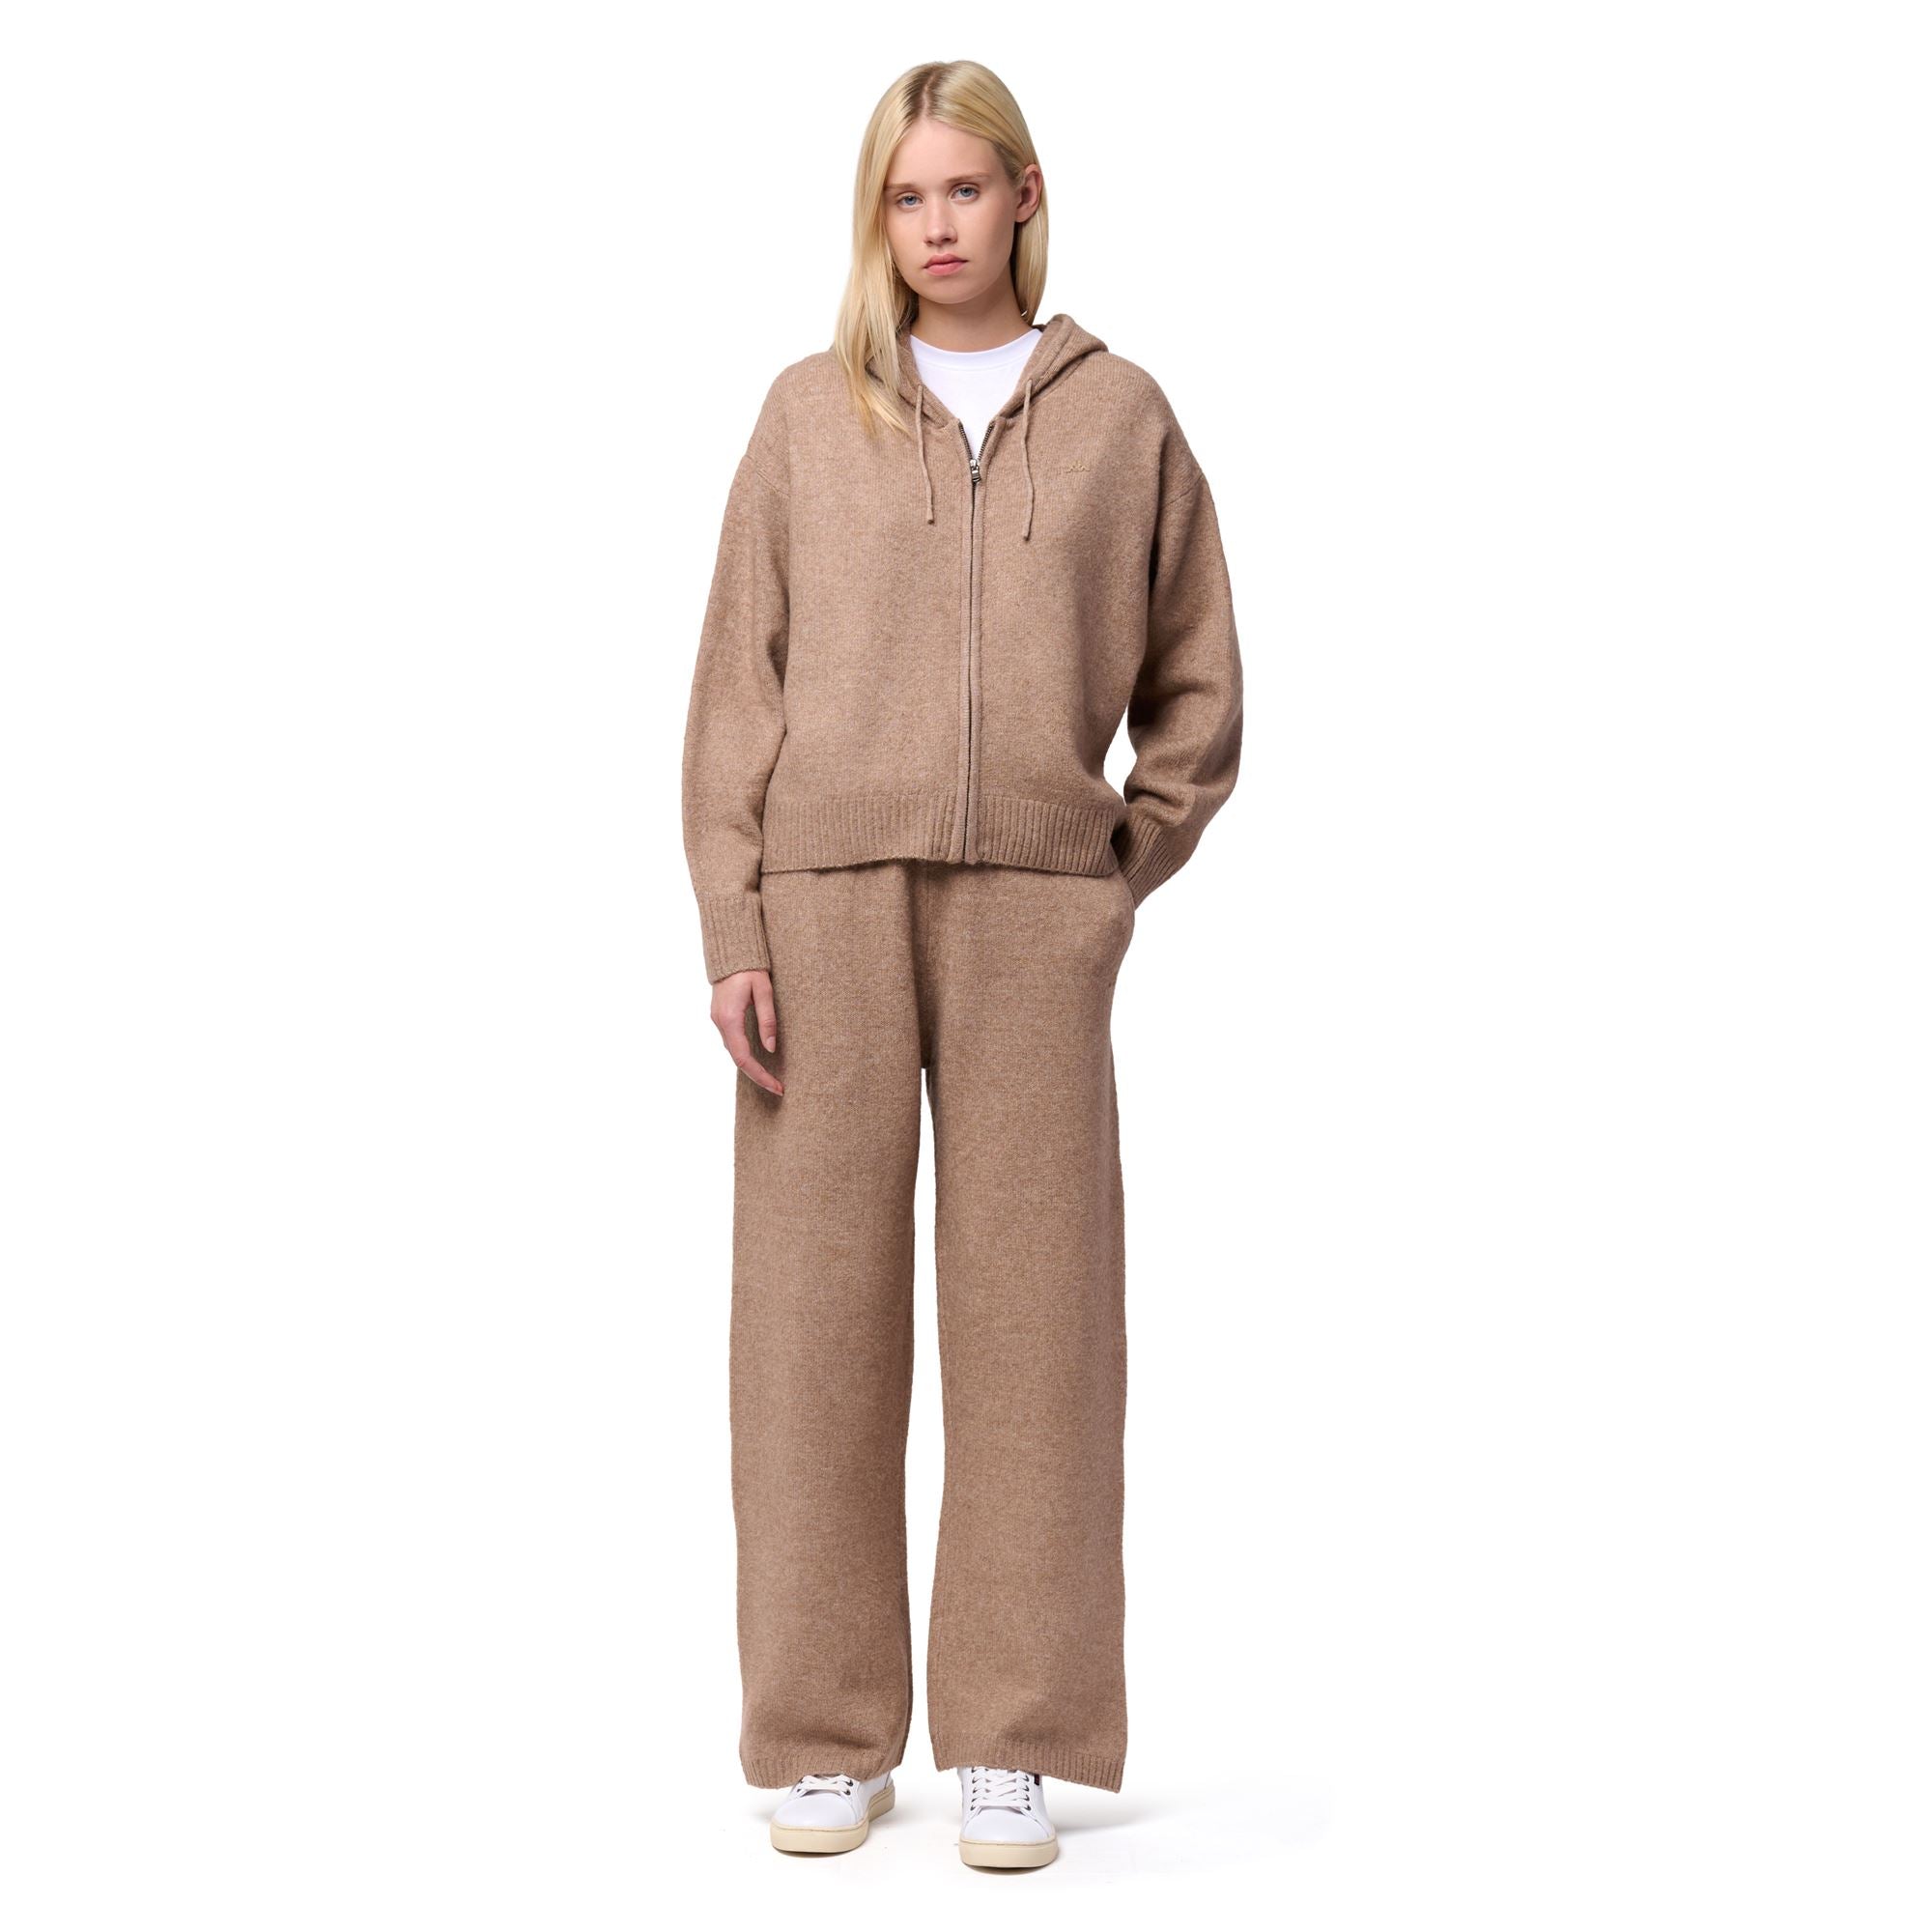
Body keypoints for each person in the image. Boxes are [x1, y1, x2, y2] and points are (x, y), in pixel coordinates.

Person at [680, 59, 1243, 1871]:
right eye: (904, 198)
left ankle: (1011, 1733)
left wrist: (1114, 870)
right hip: (823, 910)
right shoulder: (807, 415)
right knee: (810, 1327)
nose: (935, 227)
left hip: (1030, 921)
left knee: (1038, 1326)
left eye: (963, 191)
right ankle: (824, 1733)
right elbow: (736, 692)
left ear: (1024, 196)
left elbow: (1198, 690)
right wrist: (734, 923)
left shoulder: (1123, 418)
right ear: (881, 217)